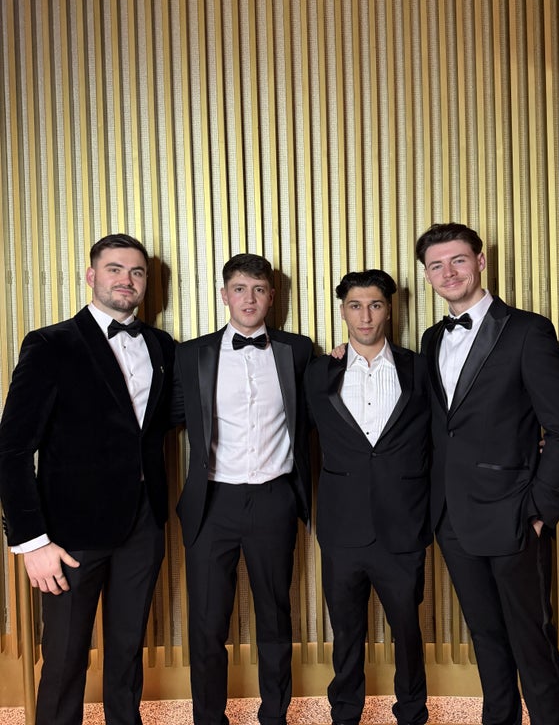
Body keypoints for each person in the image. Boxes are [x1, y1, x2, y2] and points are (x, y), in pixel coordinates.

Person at [0, 234, 175, 725]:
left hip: (143, 524)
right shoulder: (50, 344)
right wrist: (32, 542)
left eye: (137, 272)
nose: (126, 280)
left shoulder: (161, 346)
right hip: (68, 535)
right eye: (115, 269)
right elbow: (12, 449)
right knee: (64, 659)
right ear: (91, 276)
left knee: (127, 653)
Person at [415, 222, 559, 725]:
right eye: (436, 265)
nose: (448, 272)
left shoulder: (528, 330)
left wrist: (540, 511)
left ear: (480, 262)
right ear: (427, 275)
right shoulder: (431, 339)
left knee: (532, 644)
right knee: (487, 640)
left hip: (514, 516)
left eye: (458, 260)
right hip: (452, 517)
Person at [171, 253, 313, 725]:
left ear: (271, 297)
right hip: (212, 502)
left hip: (274, 498)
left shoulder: (299, 351)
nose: (249, 299)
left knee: (275, 617)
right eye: (239, 289)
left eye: (258, 290)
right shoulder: (191, 354)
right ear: (224, 295)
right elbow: (159, 418)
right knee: (207, 623)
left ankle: (275, 715)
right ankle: (209, 719)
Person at [305, 270, 431, 725]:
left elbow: (451, 432)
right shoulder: (318, 371)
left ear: (389, 310)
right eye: (355, 306)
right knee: (345, 632)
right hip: (342, 526)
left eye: (375, 305)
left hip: (404, 524)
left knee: (408, 631)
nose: (365, 316)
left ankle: (412, 713)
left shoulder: (421, 368)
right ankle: (345, 713)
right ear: (342, 311)